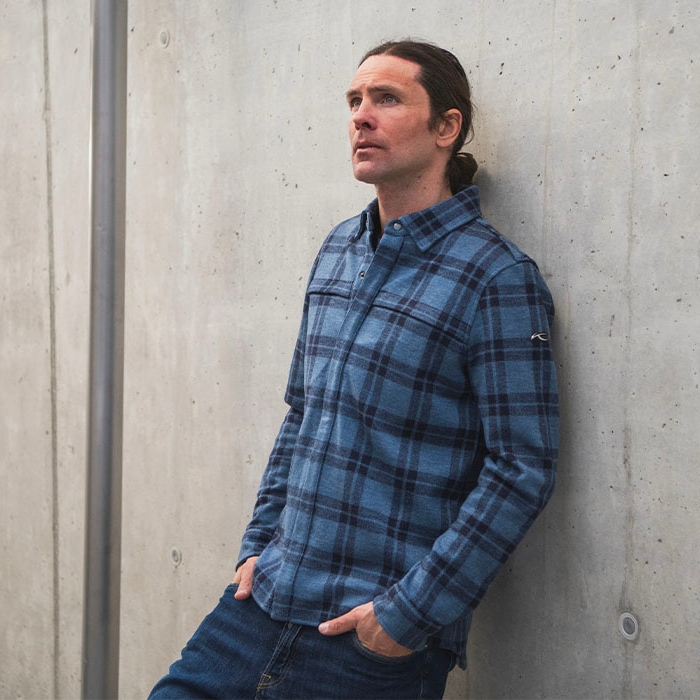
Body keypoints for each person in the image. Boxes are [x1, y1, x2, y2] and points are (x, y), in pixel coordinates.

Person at [148, 39, 559, 699]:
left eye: (387, 99)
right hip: (260, 604)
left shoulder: (496, 278)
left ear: (446, 128)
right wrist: (255, 548)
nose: (361, 116)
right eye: (355, 100)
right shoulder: (338, 249)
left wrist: (406, 616)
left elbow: (522, 469)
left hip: (368, 643)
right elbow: (302, 412)